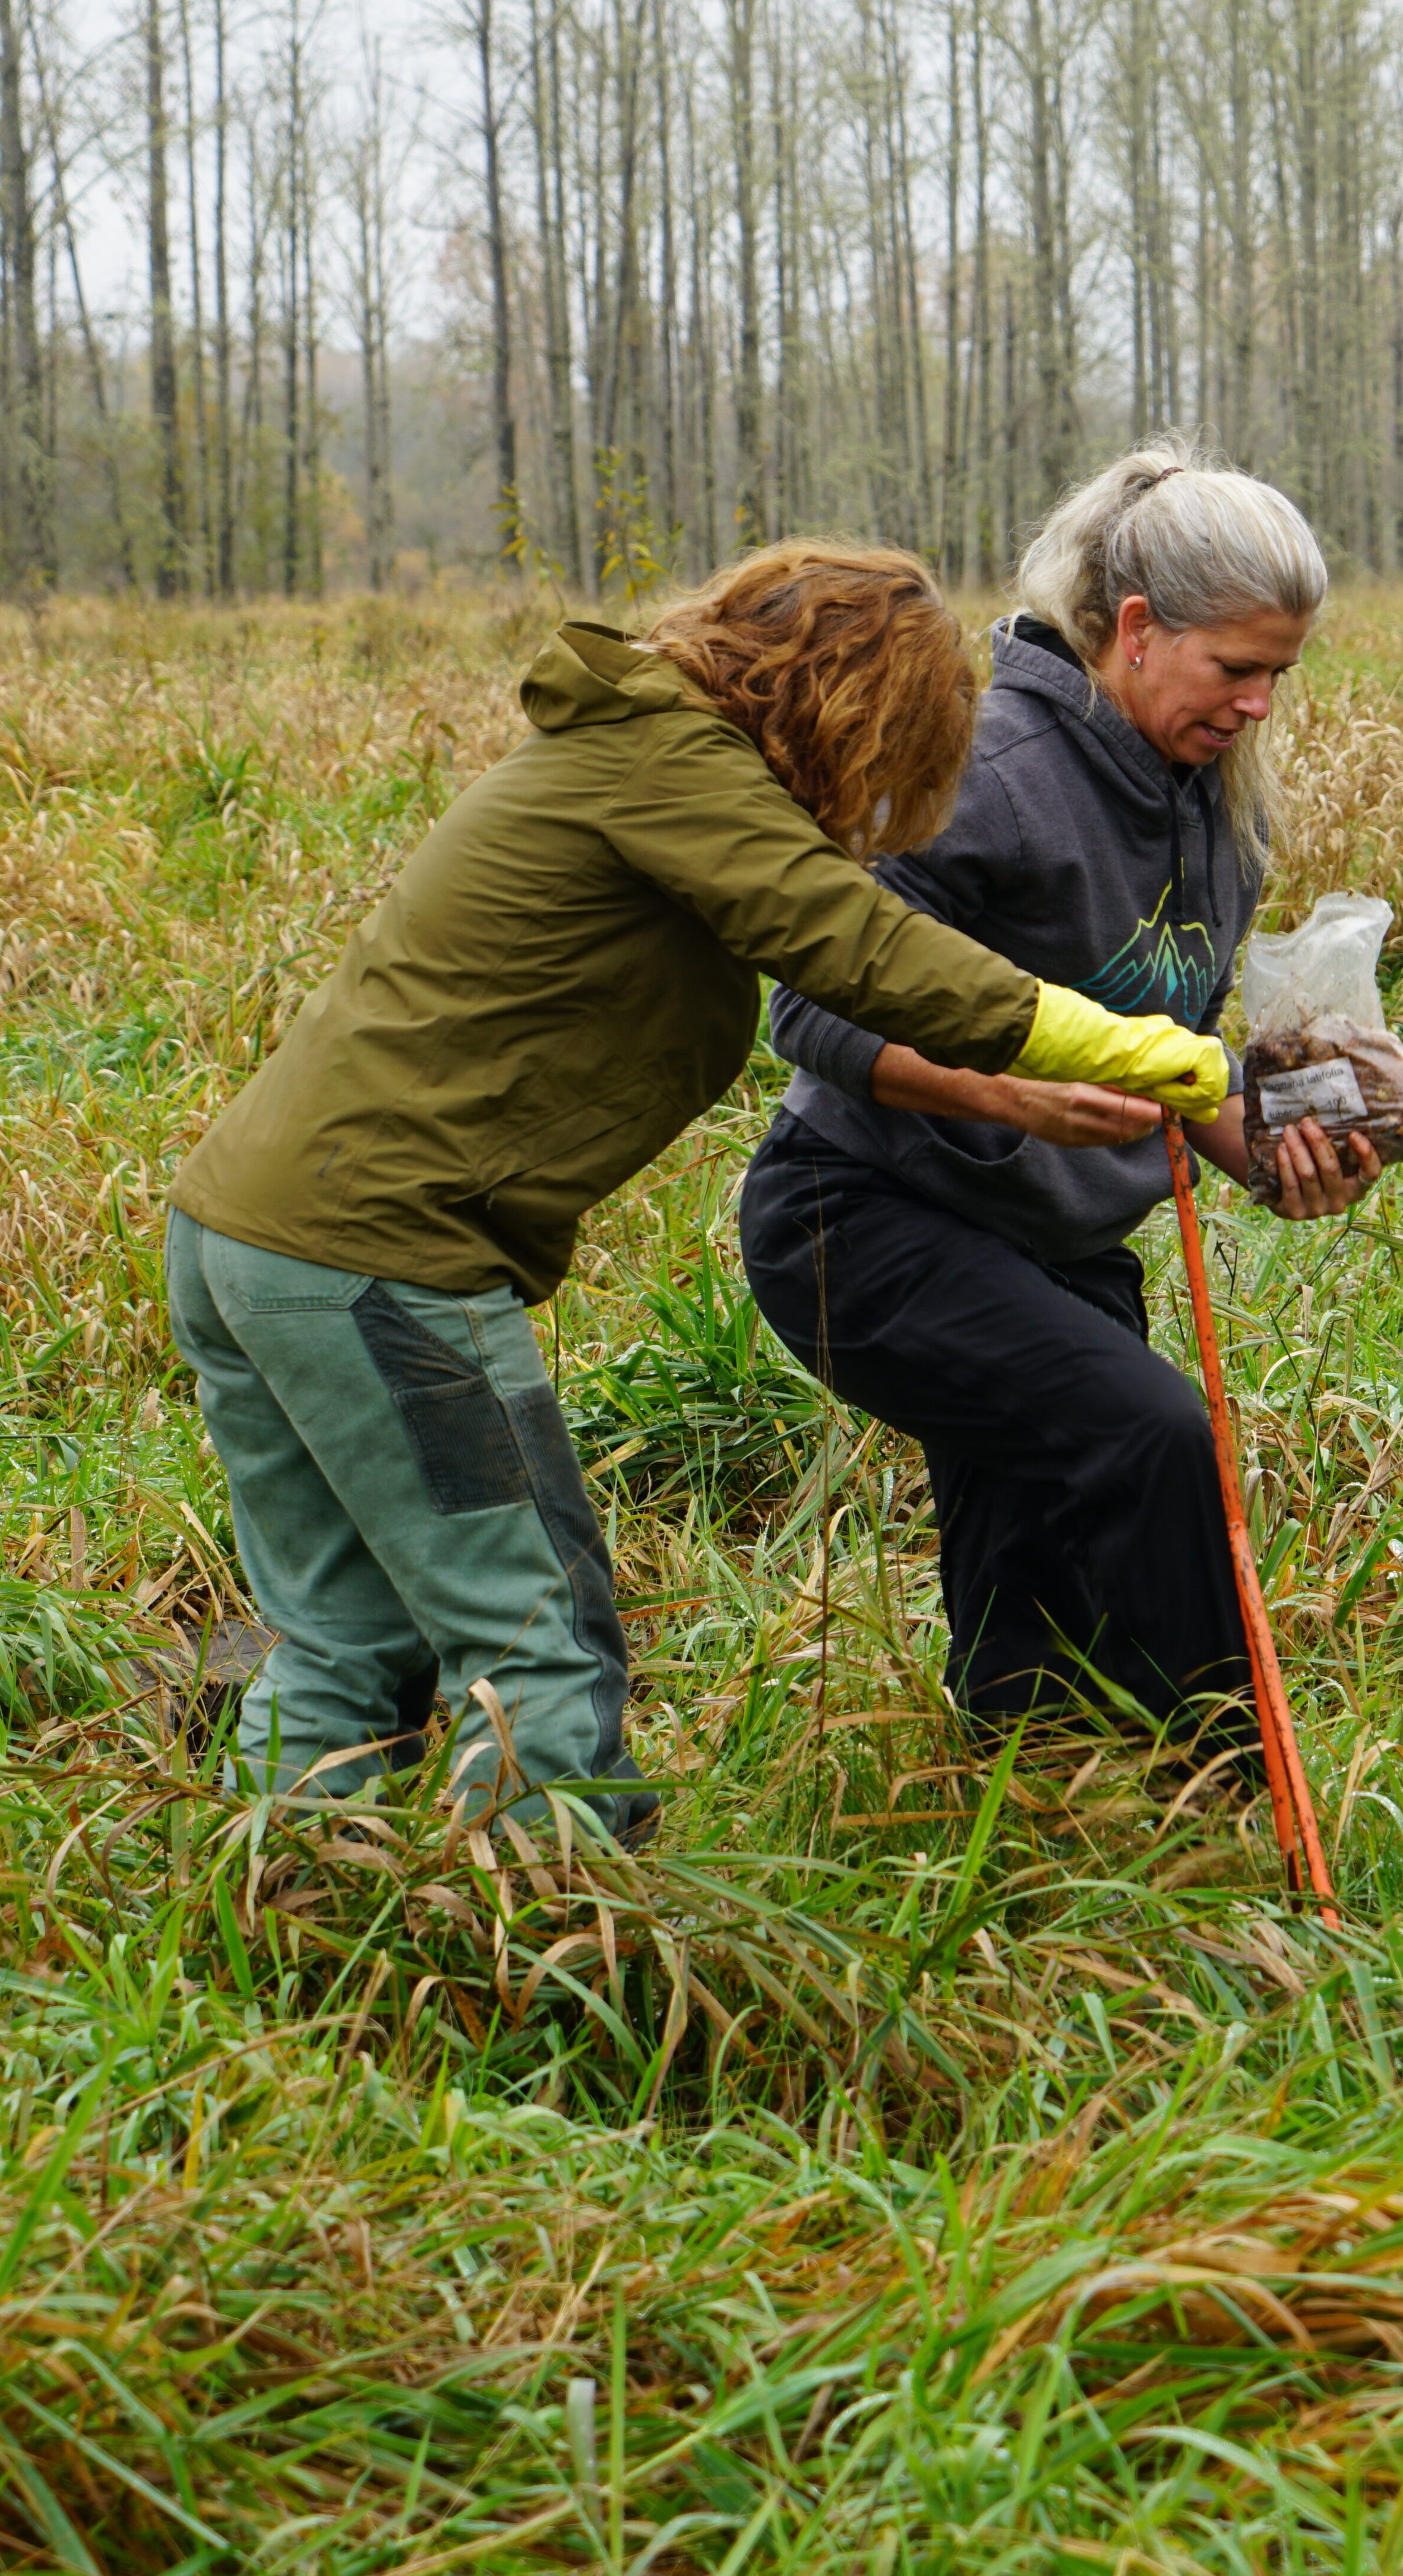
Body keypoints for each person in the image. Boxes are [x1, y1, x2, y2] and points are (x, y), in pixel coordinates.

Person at [163, 543, 1227, 1838]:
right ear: (846, 707)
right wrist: (1130, 1045)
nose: (878, 809)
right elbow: (855, 948)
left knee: (343, 1637)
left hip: (250, 1247)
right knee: (537, 1637)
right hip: (377, 1274)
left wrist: (1012, 1090)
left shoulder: (633, 749)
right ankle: (551, 1969)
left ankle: (265, 1919)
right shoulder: (673, 762)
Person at [737, 444, 1374, 1757]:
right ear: (1136, 629)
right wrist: (1015, 1095)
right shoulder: (990, 767)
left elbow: (1169, 1051)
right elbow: (806, 1009)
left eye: (1280, 674)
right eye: (1236, 669)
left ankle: (1026, 1810)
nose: (1259, 705)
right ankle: (1226, 1786)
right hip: (857, 1219)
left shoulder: (1214, 805)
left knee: (1027, 1571)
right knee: (1152, 1440)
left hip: (1052, 1242)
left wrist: (1269, 1155)